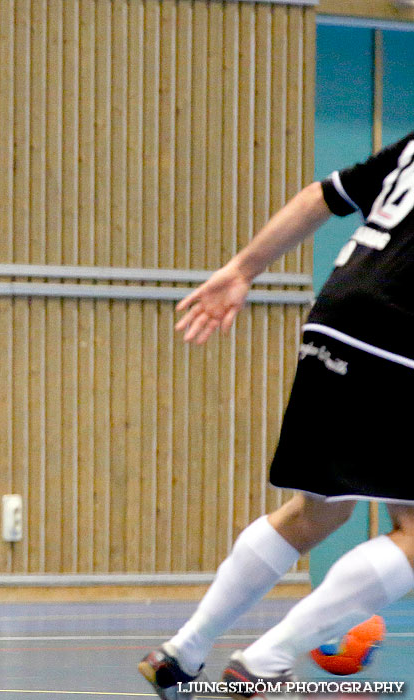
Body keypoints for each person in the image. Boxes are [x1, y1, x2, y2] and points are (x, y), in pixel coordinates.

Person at [139, 135, 414, 698]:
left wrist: (243, 269)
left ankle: (180, 653)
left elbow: (323, 195)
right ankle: (266, 658)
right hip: (401, 333)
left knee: (316, 513)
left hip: (333, 318)